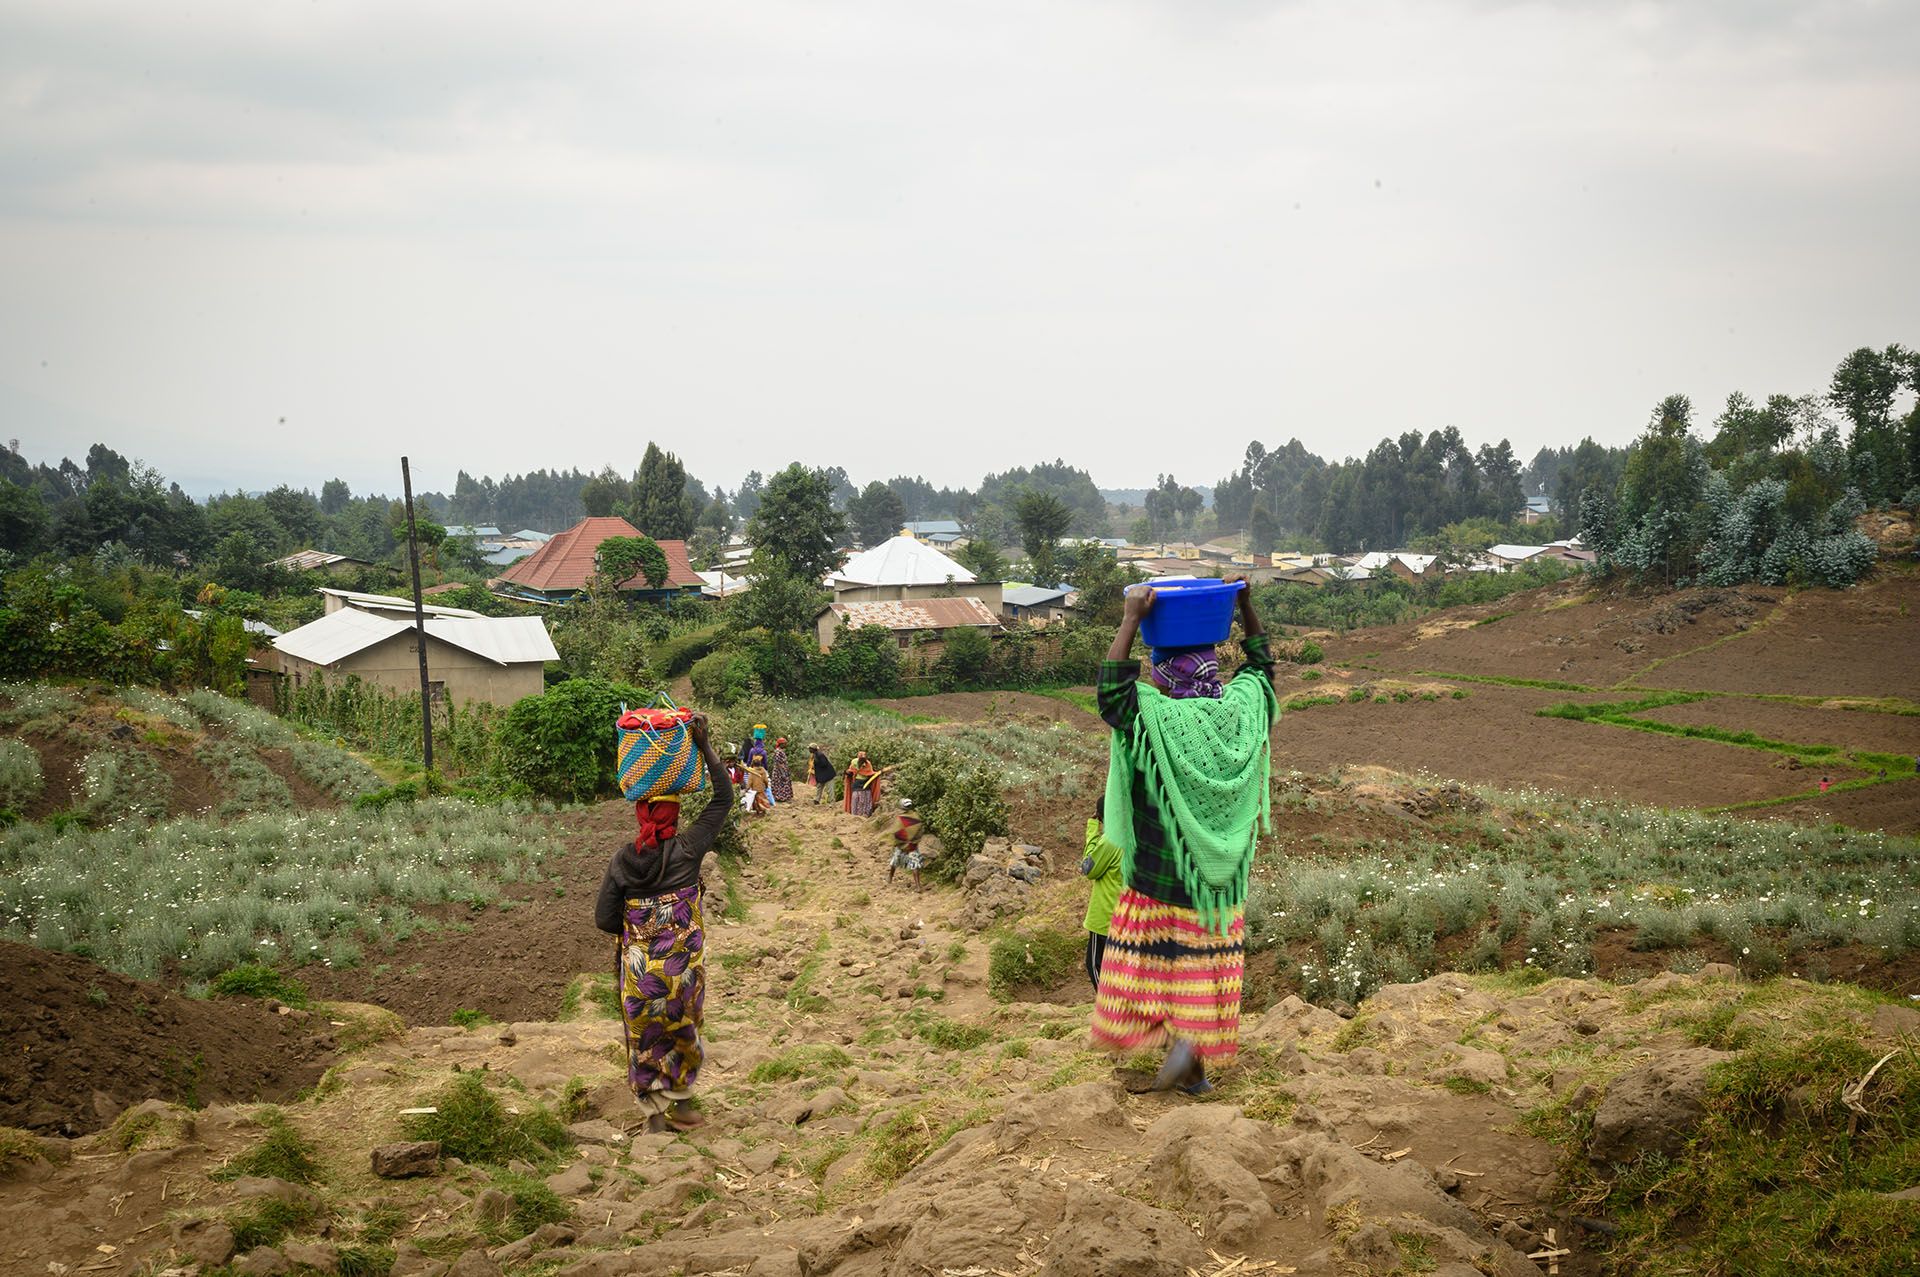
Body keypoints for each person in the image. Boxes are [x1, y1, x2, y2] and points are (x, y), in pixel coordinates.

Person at [1089, 580, 1277, 1097]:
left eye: (1156, 670)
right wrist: (1245, 607)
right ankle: (1192, 1069)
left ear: (1167, 676)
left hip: (1160, 880)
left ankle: (1187, 1064)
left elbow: (1112, 695)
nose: (1151, 676)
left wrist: (1130, 619)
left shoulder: (1155, 718)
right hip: (1217, 890)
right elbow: (1262, 669)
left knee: (1161, 978)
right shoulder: (1242, 710)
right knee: (1197, 977)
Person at [595, 712, 734, 1134]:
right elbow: (723, 799)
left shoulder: (623, 860)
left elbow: (603, 919)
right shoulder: (690, 849)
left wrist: (638, 929)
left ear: (641, 814)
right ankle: (685, 1106)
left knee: (644, 1039)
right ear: (674, 817)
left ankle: (654, 1120)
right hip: (682, 972)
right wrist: (704, 743)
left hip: (640, 978)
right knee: (683, 1028)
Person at [1081, 797, 1124, 988]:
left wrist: (1092, 830)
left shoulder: (1110, 840)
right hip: (1128, 917)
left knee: (1096, 967)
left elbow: (1088, 868)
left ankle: (1112, 1011)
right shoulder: (1135, 833)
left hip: (1106, 918)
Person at [890, 798, 925, 892]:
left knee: (894, 861)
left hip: (901, 845)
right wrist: (914, 840)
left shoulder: (899, 818)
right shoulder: (916, 817)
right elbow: (919, 831)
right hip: (913, 845)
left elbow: (895, 832)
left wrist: (898, 841)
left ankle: (890, 878)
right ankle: (918, 886)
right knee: (915, 865)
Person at [844, 750, 880, 817]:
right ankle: (861, 816)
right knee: (863, 802)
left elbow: (850, 771)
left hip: (860, 785)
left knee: (858, 802)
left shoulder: (856, 762)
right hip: (862, 785)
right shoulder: (866, 763)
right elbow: (870, 773)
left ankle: (857, 816)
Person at [769, 737, 794, 804]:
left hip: (781, 770)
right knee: (781, 783)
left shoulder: (780, 751)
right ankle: (781, 797)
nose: (786, 745)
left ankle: (781, 797)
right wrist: (783, 773)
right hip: (779, 771)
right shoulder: (778, 752)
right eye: (784, 743)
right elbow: (778, 763)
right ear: (781, 744)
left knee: (780, 784)